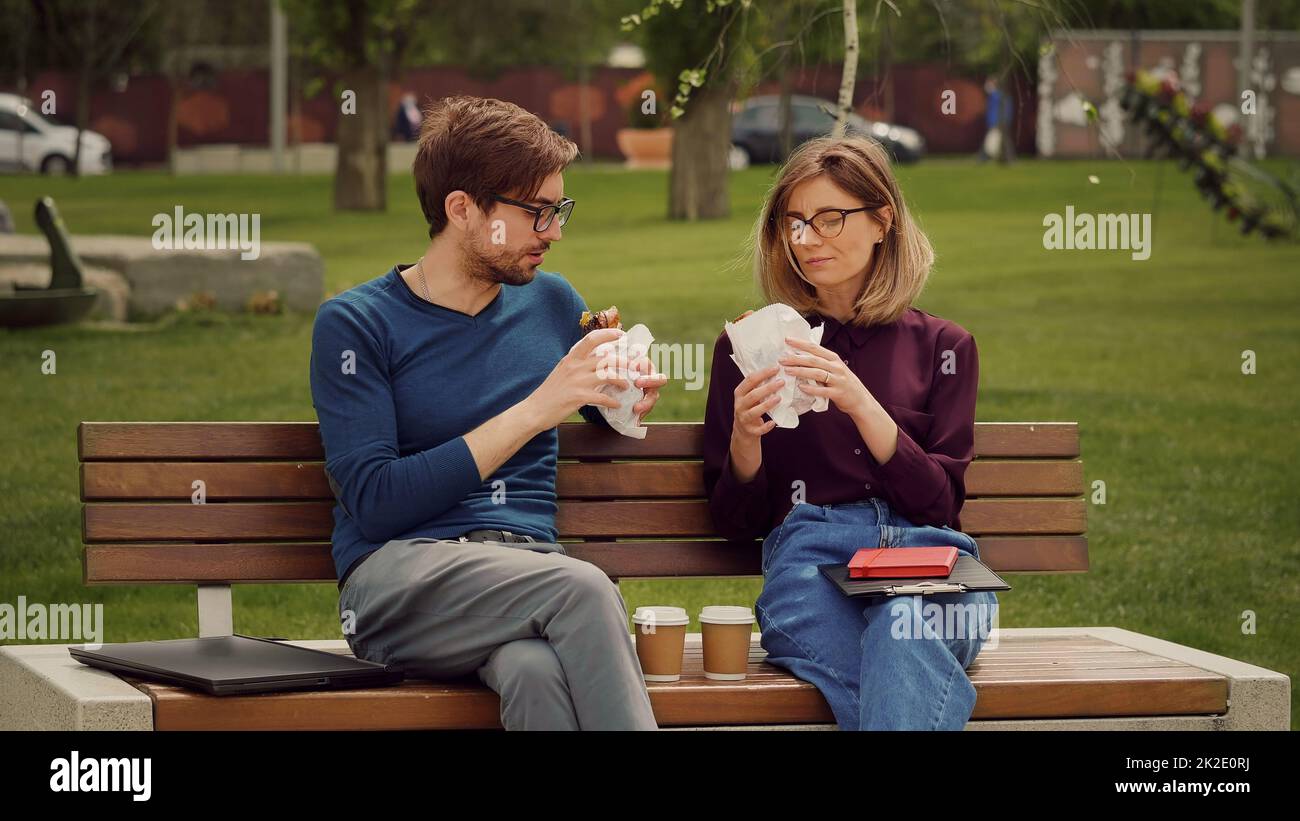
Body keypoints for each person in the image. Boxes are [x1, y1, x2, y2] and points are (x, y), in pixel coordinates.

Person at [310, 95, 668, 730]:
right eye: (536, 213)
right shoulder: (357, 324)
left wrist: (621, 399)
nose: (554, 231)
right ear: (461, 208)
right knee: (585, 589)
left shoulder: (554, 304)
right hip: (398, 583)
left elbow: (593, 406)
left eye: (559, 210)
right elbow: (376, 501)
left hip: (525, 576)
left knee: (534, 672)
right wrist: (539, 407)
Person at [702, 135, 998, 730]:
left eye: (830, 219)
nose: (806, 239)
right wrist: (744, 441)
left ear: (882, 220)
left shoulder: (945, 348)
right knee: (900, 648)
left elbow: (940, 504)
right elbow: (736, 526)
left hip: (931, 563)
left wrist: (863, 403)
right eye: (795, 223)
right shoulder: (754, 347)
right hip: (810, 565)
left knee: (900, 623)